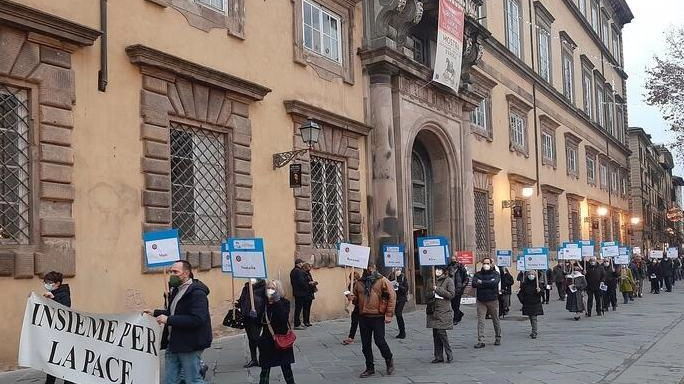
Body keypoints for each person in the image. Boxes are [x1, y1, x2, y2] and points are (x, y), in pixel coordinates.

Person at [151, 260, 212, 384]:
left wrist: (168, 320)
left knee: (193, 380)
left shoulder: (197, 293)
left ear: (186, 273)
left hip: (190, 344)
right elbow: (173, 312)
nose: (172, 274)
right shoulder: (176, 290)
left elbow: (197, 319)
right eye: (171, 271)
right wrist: (154, 313)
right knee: (170, 380)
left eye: (175, 272)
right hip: (173, 343)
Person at [352, 263, 396, 378]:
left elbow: (392, 297)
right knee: (365, 345)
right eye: (367, 268)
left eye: (371, 268)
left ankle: (388, 358)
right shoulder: (359, 283)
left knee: (379, 341)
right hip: (364, 316)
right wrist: (352, 298)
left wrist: (389, 315)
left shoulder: (382, 280)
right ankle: (369, 367)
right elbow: (356, 298)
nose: (369, 270)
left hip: (377, 316)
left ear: (375, 268)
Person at [258, 280, 295, 384]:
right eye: (268, 288)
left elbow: (283, 319)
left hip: (281, 339)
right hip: (267, 340)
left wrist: (277, 302)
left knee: (286, 368)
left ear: (278, 290)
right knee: (265, 369)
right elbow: (259, 321)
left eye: (273, 288)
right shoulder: (263, 303)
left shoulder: (284, 302)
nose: (270, 290)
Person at [42, 271, 75, 384]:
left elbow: (65, 308)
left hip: (63, 334)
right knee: (53, 360)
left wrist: (53, 298)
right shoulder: (53, 293)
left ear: (57, 283)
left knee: (61, 360)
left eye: (49, 282)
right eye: (45, 282)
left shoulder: (63, 294)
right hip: (54, 332)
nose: (46, 284)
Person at [427, 266, 455, 363]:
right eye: (436, 269)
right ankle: (438, 356)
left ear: (443, 271)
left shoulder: (448, 280)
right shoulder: (431, 280)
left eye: (439, 270)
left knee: (441, 332)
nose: (437, 271)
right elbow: (426, 295)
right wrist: (432, 293)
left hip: (443, 310)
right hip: (433, 310)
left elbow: (451, 295)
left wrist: (438, 289)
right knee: (436, 334)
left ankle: (449, 353)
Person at [472, 258, 501, 348]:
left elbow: (494, 283)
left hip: (493, 300)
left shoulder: (495, 274)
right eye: (484, 263)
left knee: (495, 319)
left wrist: (482, 283)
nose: (486, 265)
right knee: (481, 321)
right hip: (481, 301)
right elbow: (474, 284)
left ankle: (498, 337)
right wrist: (488, 283)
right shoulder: (478, 274)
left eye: (488, 263)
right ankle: (481, 341)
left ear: (491, 264)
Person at [239, 278, 267, 368]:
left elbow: (267, 301)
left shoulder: (263, 288)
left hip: (257, 317)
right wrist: (238, 303)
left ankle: (263, 357)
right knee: (251, 338)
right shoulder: (246, 288)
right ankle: (254, 359)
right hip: (247, 317)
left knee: (256, 338)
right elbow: (242, 299)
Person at [518, 270, 543, 339]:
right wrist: (522, 301)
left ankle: (534, 332)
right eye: (530, 274)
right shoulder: (525, 283)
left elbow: (542, 293)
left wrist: (539, 291)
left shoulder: (537, 283)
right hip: (527, 303)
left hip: (535, 303)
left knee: (534, 317)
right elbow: (520, 293)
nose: (531, 275)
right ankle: (533, 330)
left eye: (532, 274)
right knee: (531, 317)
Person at [447, 254, 468, 324]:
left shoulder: (461, 268)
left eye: (454, 260)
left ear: (457, 260)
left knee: (456, 305)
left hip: (458, 289)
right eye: (452, 260)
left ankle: (455, 319)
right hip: (450, 289)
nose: (453, 261)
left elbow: (466, 278)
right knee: (453, 305)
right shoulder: (449, 267)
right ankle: (460, 313)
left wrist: (462, 286)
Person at [342, 271, 361, 345]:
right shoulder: (350, 285)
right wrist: (347, 295)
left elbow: (361, 296)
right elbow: (347, 292)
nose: (353, 280)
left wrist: (354, 297)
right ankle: (351, 337)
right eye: (352, 278)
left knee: (362, 323)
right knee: (354, 322)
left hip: (360, 305)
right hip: (354, 306)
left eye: (355, 279)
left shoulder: (360, 284)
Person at [290, 258, 309, 330]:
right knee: (298, 309)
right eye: (301, 263)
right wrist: (307, 285)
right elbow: (302, 282)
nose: (302, 264)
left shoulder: (293, 271)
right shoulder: (298, 271)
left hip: (296, 292)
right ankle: (297, 324)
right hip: (300, 293)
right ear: (298, 264)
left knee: (298, 308)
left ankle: (298, 323)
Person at [390, 268, 409, 339]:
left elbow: (406, 289)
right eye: (395, 269)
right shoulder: (391, 277)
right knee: (397, 314)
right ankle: (401, 332)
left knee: (398, 313)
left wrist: (398, 285)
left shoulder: (403, 278)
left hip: (401, 299)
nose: (397, 271)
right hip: (394, 298)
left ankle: (402, 332)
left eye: (398, 269)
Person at [302, 262, 318, 326]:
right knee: (305, 308)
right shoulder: (303, 274)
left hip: (310, 292)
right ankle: (305, 321)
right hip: (306, 293)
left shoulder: (309, 273)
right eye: (309, 267)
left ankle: (308, 321)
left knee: (308, 308)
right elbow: (304, 283)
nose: (310, 268)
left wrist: (314, 283)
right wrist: (310, 283)